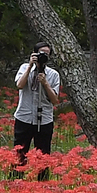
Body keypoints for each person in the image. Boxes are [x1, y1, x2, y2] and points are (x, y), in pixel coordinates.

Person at [13, 41, 62, 179]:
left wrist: (45, 82)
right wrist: (30, 66)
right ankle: (16, 181)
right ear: (34, 54)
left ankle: (43, 183)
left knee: (43, 154)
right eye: (41, 53)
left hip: (44, 119)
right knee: (20, 152)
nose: (43, 56)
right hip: (24, 116)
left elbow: (55, 100)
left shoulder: (53, 75)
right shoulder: (24, 68)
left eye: (46, 54)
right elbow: (20, 85)